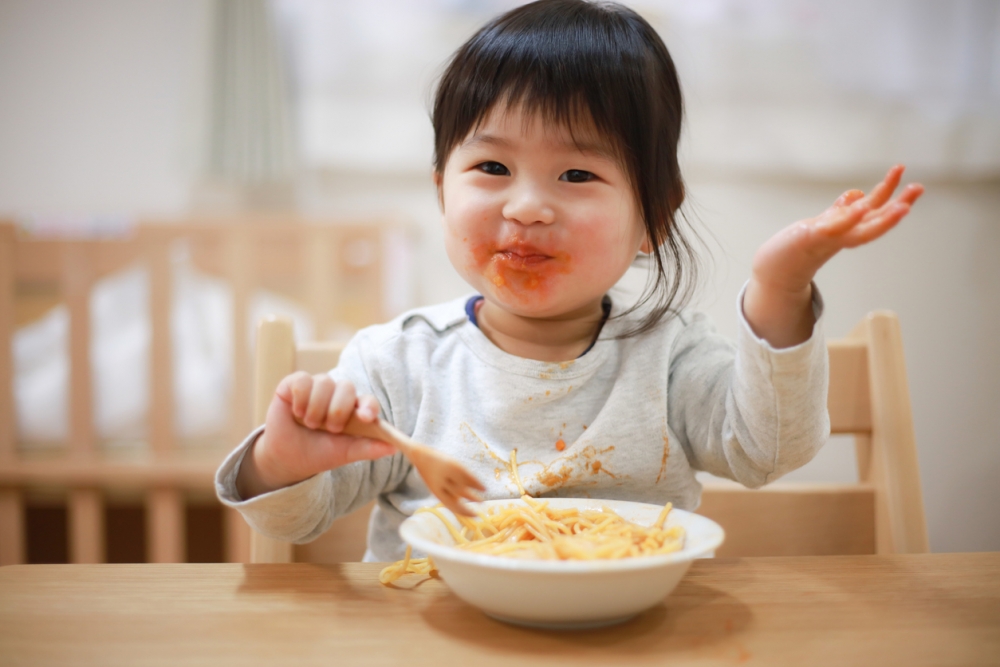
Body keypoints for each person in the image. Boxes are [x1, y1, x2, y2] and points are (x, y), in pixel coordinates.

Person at [215, 0, 923, 561]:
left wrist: (781, 287)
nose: (526, 206)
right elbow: (298, 522)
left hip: (637, 634)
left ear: (652, 219)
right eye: (491, 168)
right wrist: (281, 462)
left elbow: (767, 450)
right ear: (441, 191)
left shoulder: (670, 356)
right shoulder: (397, 365)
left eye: (578, 174)